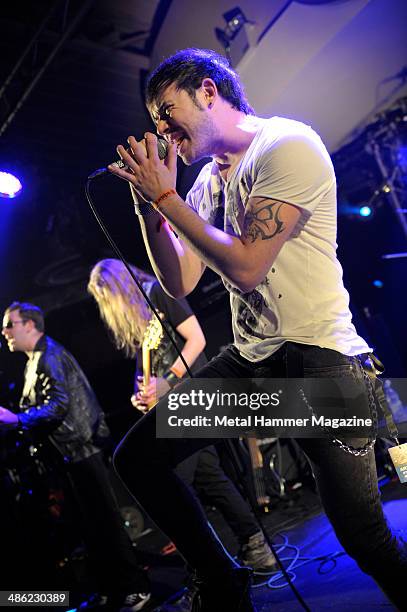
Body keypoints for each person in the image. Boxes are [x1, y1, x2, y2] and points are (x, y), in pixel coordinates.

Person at [105, 48, 406, 611]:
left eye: (167, 111)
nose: (161, 129)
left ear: (209, 92)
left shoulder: (287, 145)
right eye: (153, 120)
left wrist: (167, 198)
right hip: (254, 365)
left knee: (364, 538)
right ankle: (220, 578)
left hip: (322, 366)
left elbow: (245, 266)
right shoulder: (204, 184)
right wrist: (152, 209)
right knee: (138, 456)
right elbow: (179, 282)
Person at [88, 258, 277, 611]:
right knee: (207, 476)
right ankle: (251, 549)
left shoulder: (159, 293)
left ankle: (210, 572)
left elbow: (196, 339)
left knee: (176, 479)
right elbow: (150, 367)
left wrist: (169, 381)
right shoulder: (143, 322)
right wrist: (141, 392)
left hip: (191, 393)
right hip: (170, 403)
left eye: (102, 296)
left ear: (113, 289)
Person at [0, 302, 151, 612]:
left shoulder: (50, 356)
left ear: (30, 325)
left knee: (106, 523)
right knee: (92, 528)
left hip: (83, 450)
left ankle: (136, 587)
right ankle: (114, 588)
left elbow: (58, 405)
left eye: (10, 324)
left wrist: (16, 420)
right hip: (70, 455)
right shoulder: (34, 360)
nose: (5, 332)